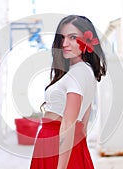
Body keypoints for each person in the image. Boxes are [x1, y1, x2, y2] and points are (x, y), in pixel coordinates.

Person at [30, 15, 107, 169]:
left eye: (72, 37)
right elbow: (83, 126)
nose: (64, 43)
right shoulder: (86, 71)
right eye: (62, 38)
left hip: (56, 147)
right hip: (70, 146)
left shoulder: (76, 73)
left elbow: (68, 124)